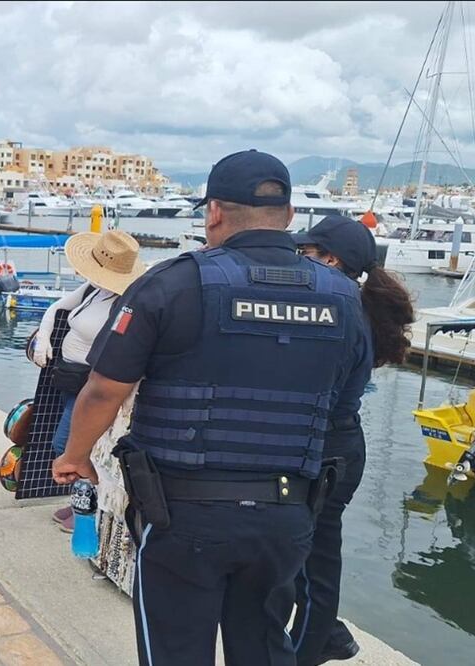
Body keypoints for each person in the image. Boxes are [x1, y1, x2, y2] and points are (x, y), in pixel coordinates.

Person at [52, 150, 371, 666]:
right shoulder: (341, 297)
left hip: (182, 516)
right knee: (264, 647)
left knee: (175, 650)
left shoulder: (172, 283)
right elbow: (344, 405)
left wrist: (76, 455)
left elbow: (103, 390)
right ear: (289, 217)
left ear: (214, 213)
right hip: (285, 516)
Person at [290, 215, 414, 665]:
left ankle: (306, 650)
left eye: (306, 253)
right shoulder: (353, 308)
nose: (299, 260)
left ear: (330, 259)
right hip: (340, 447)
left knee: (312, 558)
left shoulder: (338, 314)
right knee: (309, 555)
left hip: (328, 450)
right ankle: (328, 635)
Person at [32, 230, 146, 532]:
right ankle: (81, 501)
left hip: (92, 384)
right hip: (71, 380)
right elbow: (57, 307)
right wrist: (43, 338)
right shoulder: (93, 289)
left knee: (72, 444)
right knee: (76, 444)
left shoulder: (125, 305)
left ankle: (88, 506)